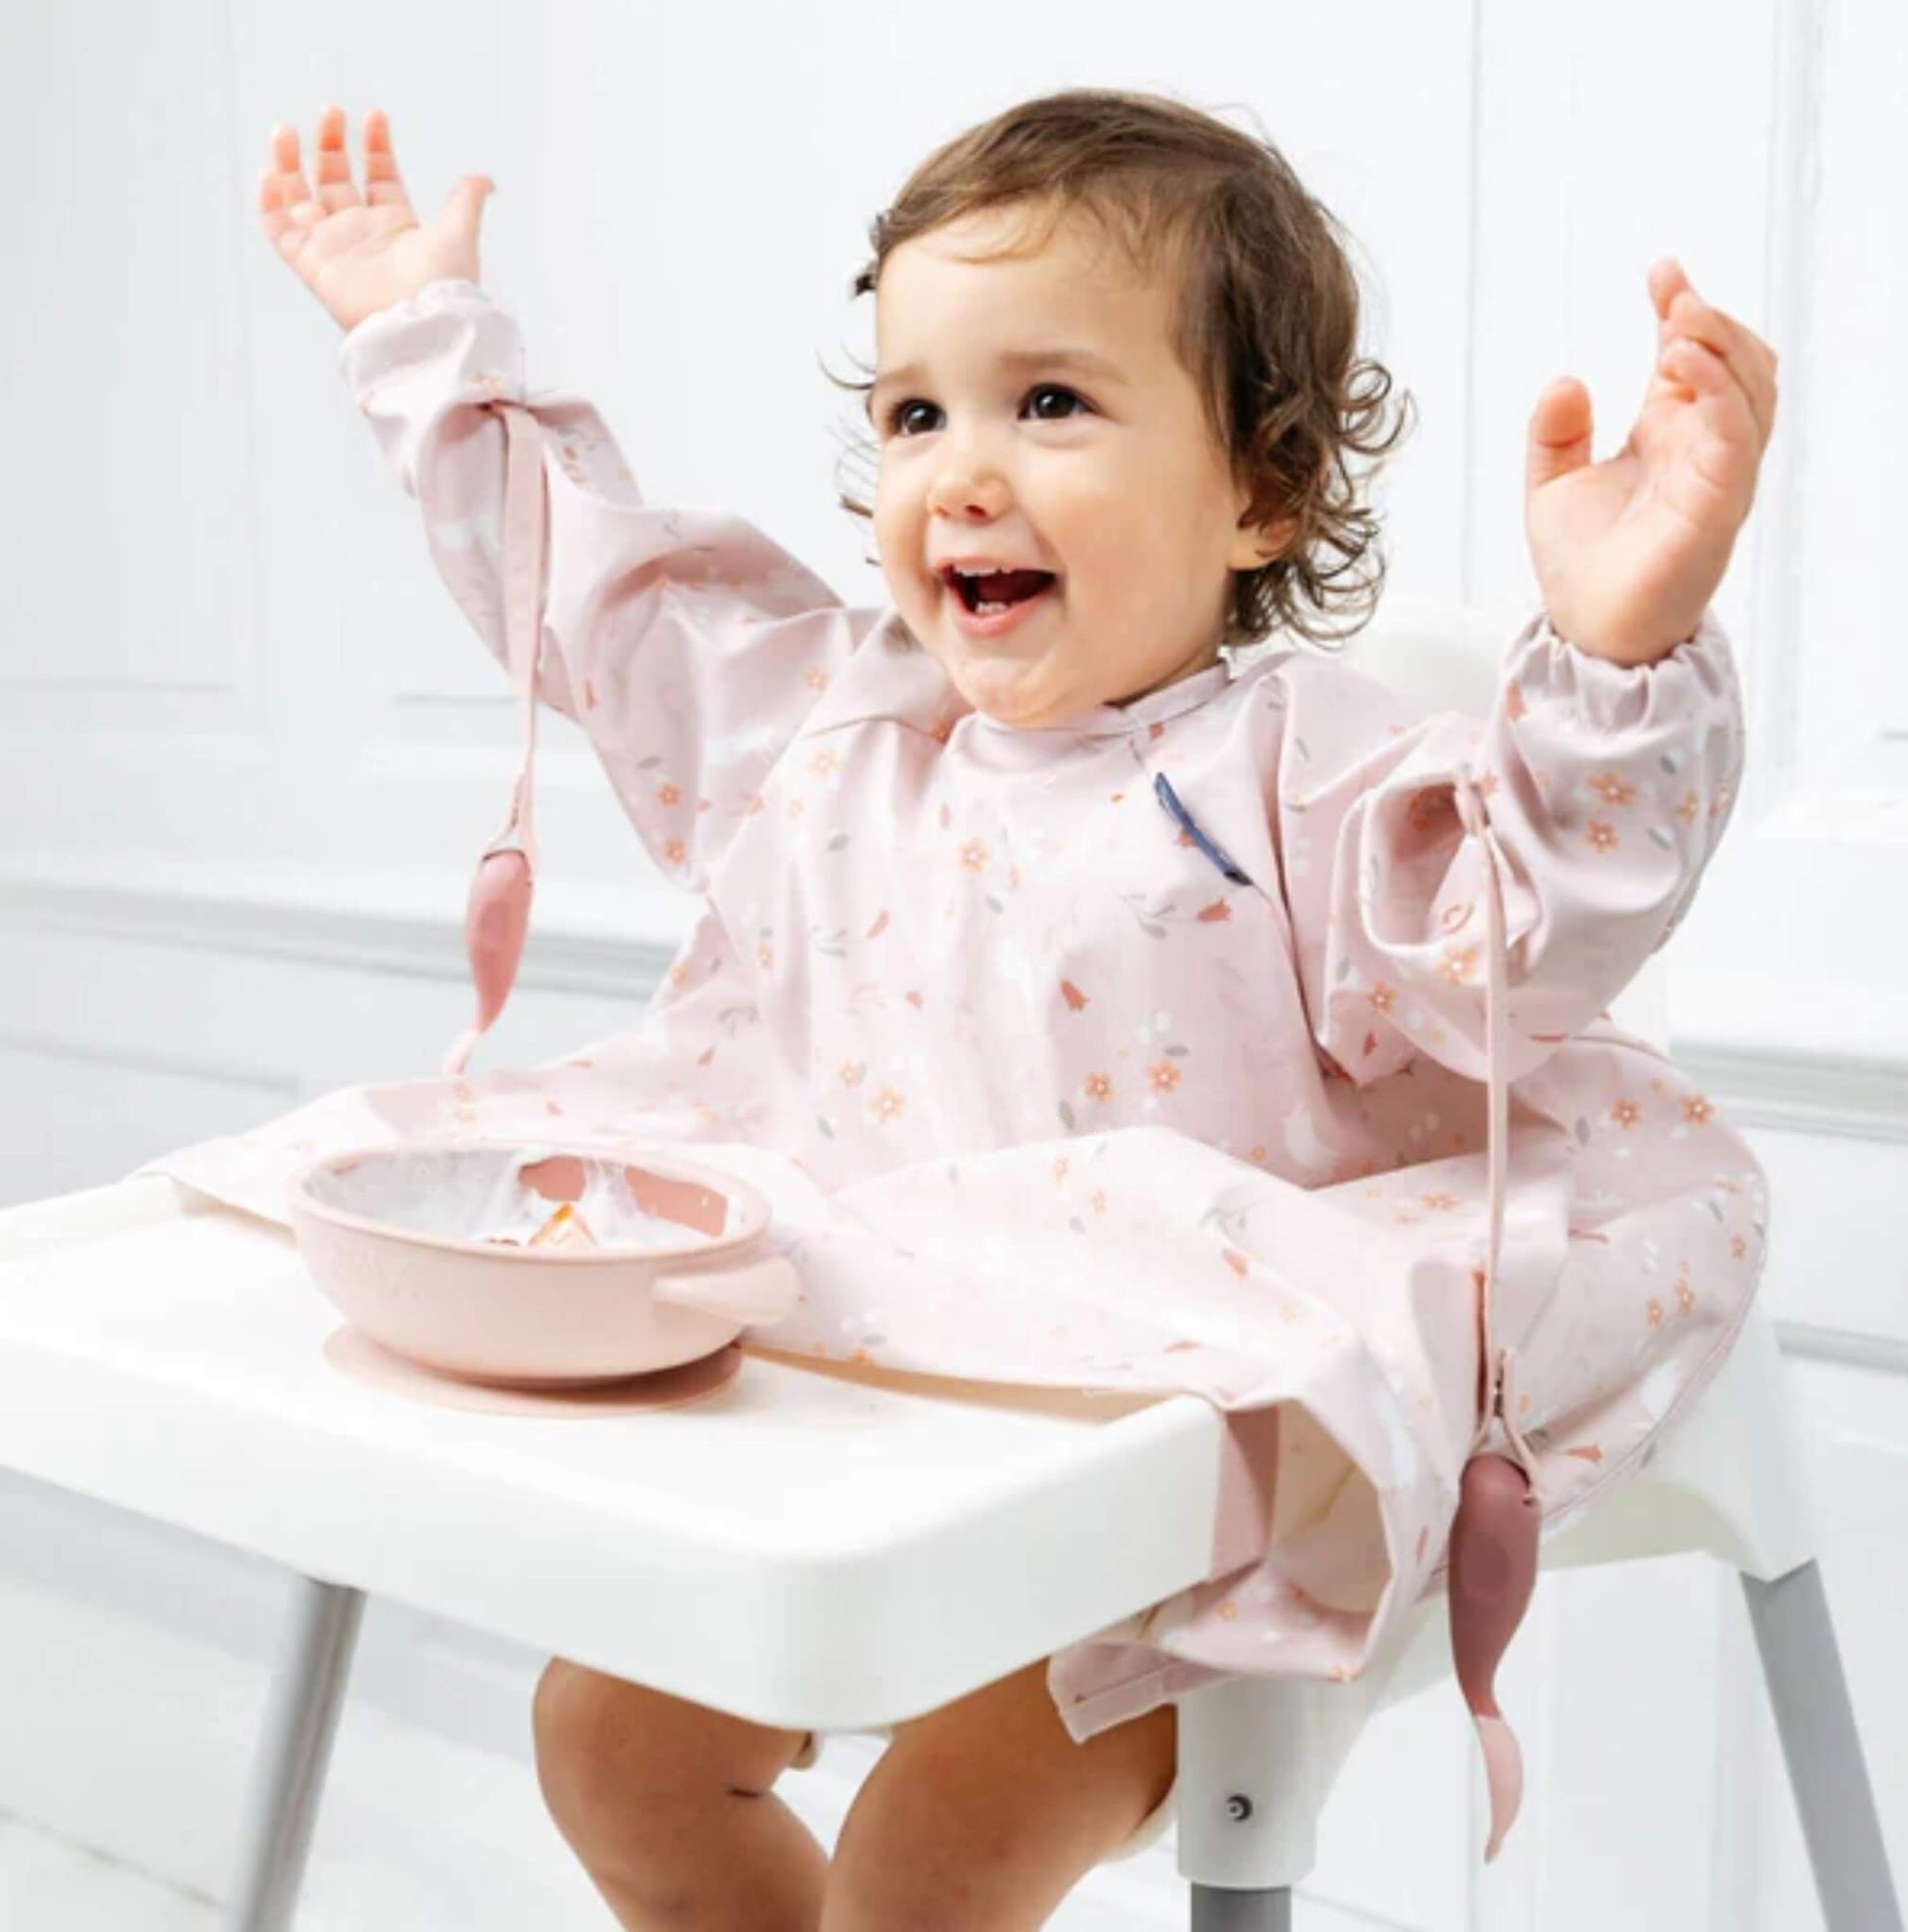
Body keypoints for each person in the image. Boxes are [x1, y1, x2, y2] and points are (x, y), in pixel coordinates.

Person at [229, 86, 1776, 1931]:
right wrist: (420, 340)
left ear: (1258, 489)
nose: (960, 467)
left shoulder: (1300, 772)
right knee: (604, 1743)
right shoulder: (834, 732)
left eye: (1048, 401)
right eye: (912, 411)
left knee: (923, 1866)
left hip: (1149, 1494)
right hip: (853, 1413)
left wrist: (1612, 655)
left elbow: (1518, 935)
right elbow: (606, 602)